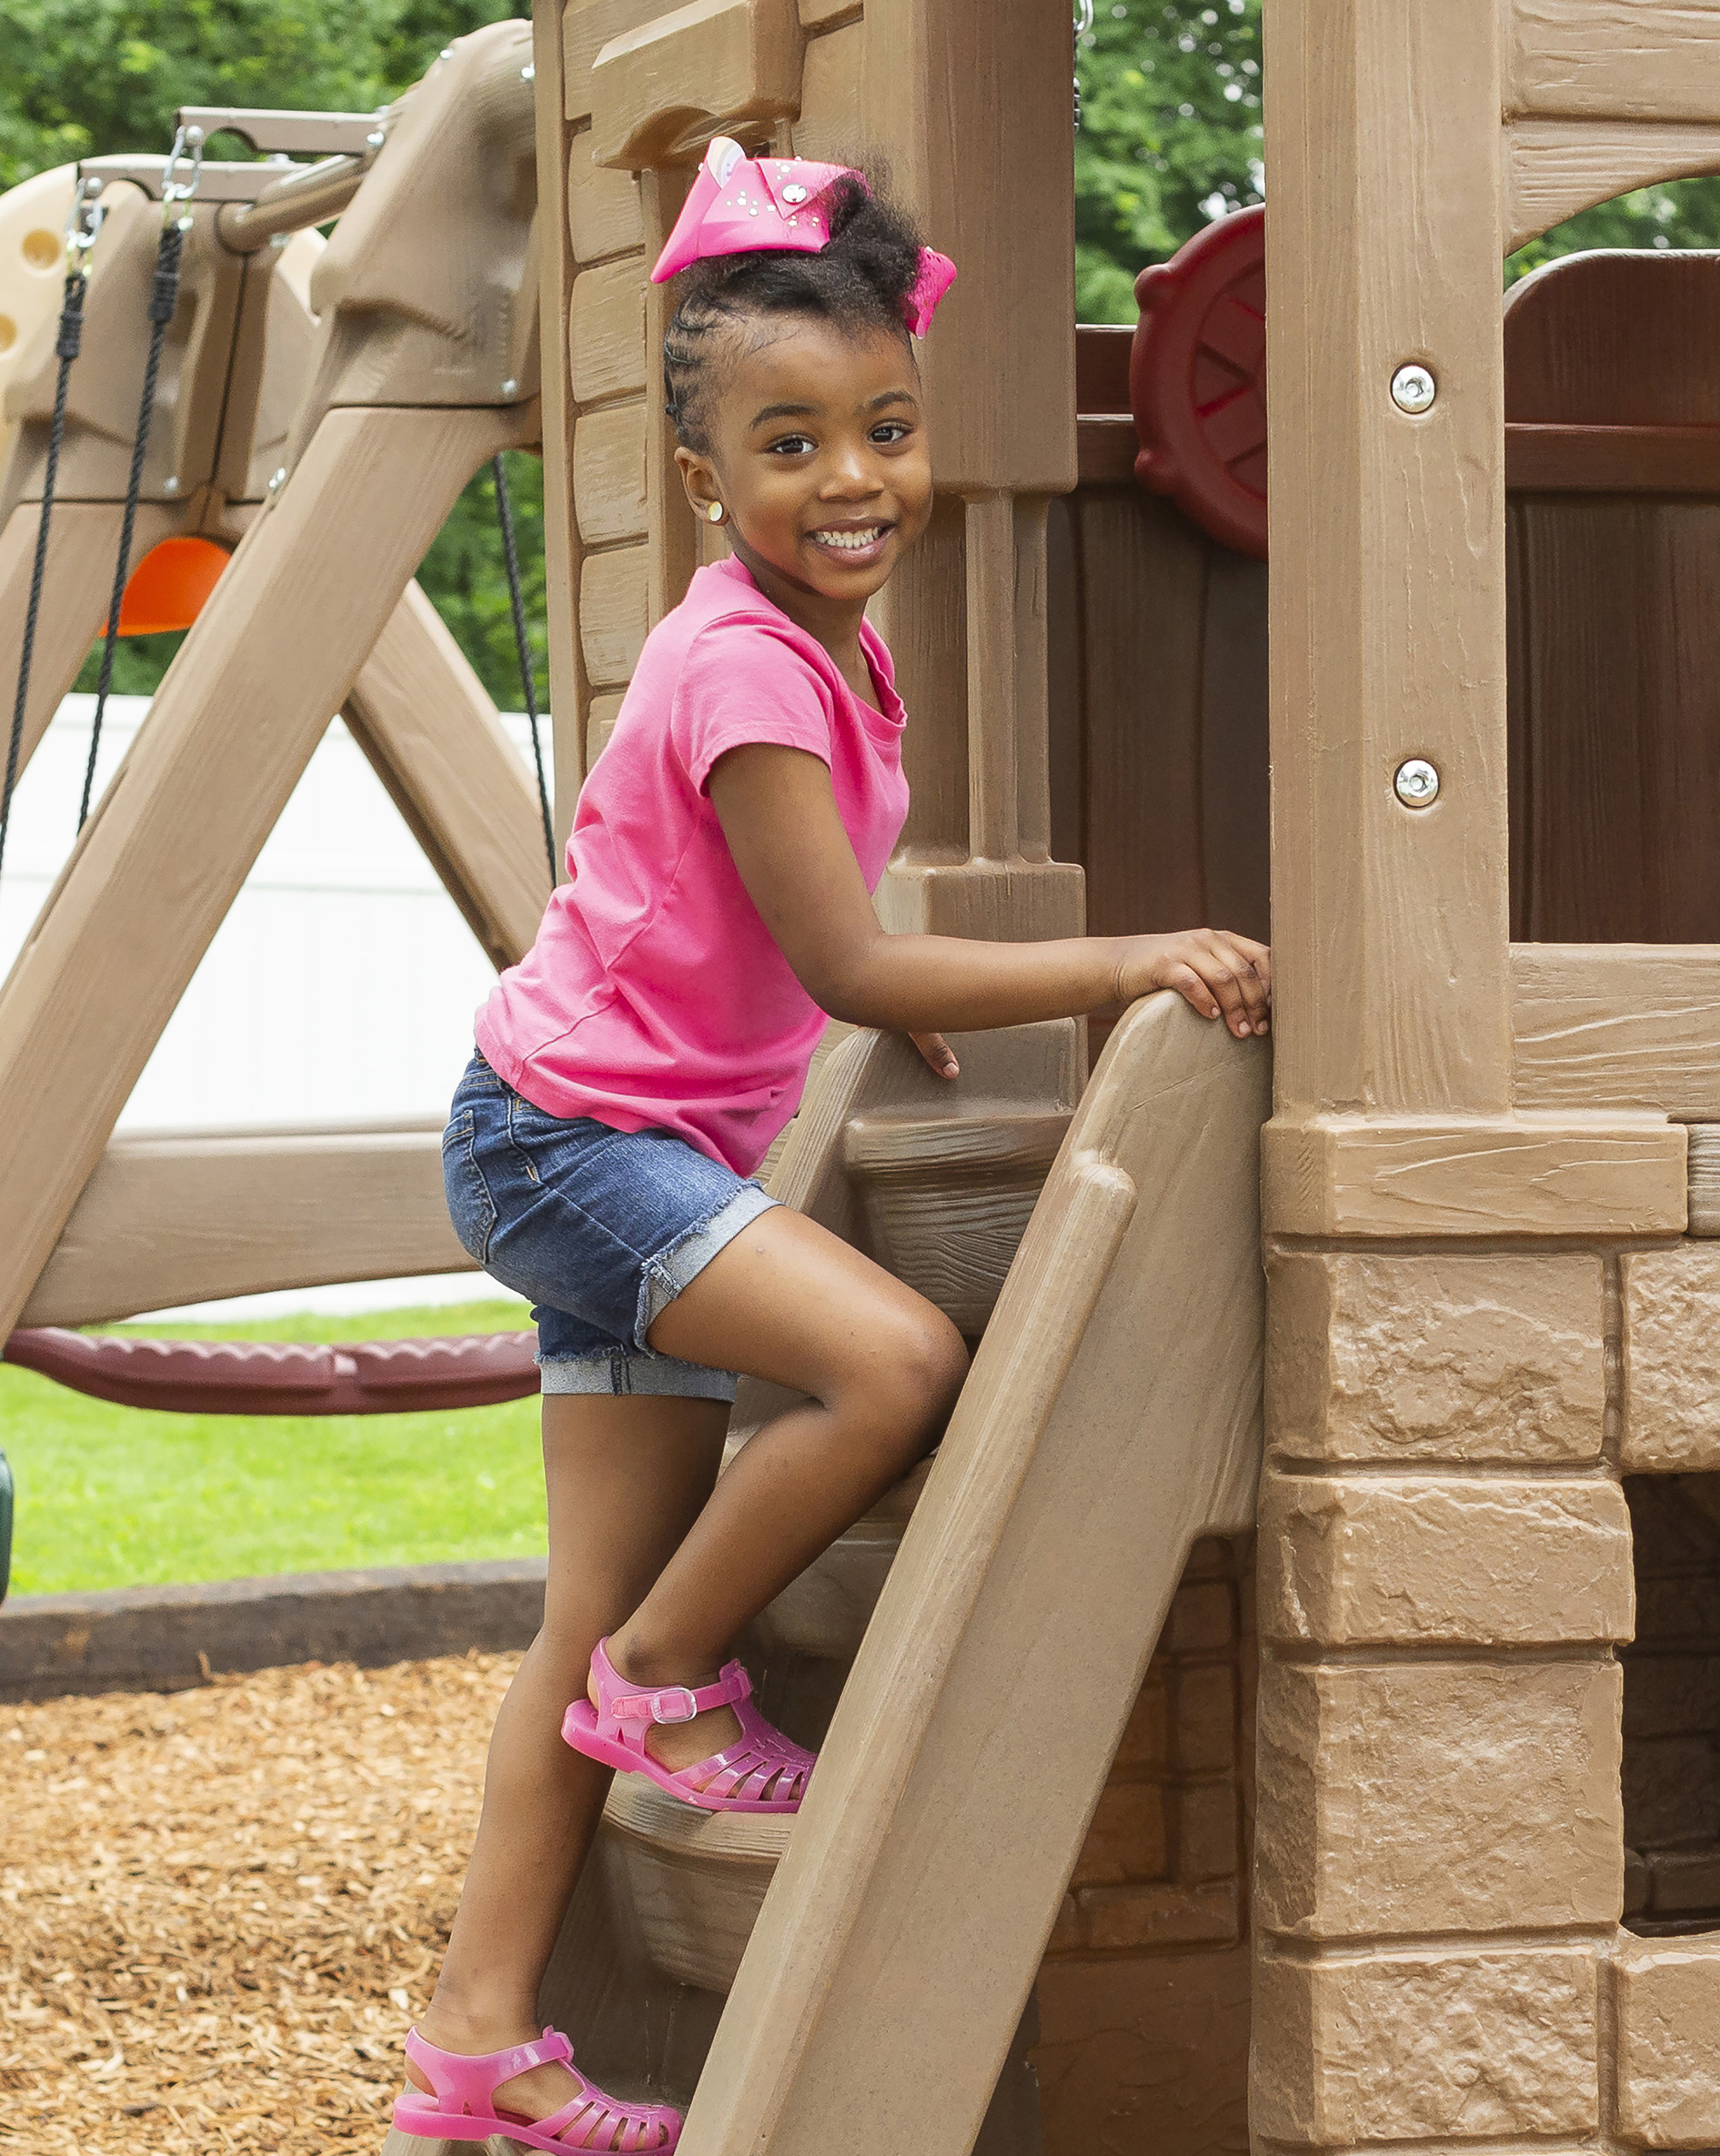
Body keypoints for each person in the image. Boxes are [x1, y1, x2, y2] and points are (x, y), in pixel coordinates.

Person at [388, 138, 1271, 2154]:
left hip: (614, 1135)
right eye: (791, 444)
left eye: (885, 424)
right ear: (709, 477)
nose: (854, 474)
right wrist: (1118, 955)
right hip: (576, 1145)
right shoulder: (740, 665)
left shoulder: (819, 644)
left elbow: (795, 958)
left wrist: (874, 1017)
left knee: (570, 1626)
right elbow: (849, 950)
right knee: (892, 1363)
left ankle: (476, 2048)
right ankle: (677, 1676)